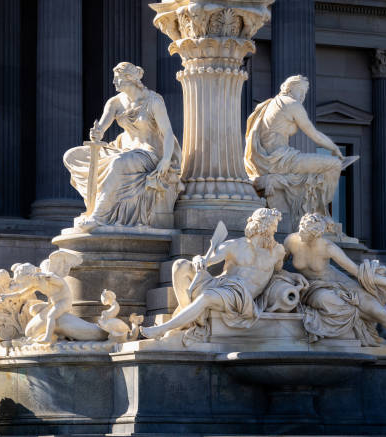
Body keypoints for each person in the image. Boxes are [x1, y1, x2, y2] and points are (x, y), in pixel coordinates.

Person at [284, 213, 386, 356]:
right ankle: (365, 317)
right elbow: (278, 268)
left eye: (306, 235)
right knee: (328, 300)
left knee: (378, 312)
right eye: (301, 231)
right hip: (315, 287)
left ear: (317, 235)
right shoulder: (291, 241)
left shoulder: (328, 247)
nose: (301, 236)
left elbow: (356, 271)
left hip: (340, 282)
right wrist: (294, 275)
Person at [63, 62, 182, 231]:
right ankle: (96, 204)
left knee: (117, 163)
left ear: (131, 79)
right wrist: (96, 133)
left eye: (117, 78)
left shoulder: (153, 101)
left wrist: (166, 160)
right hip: (123, 150)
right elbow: (102, 128)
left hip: (148, 153)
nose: (114, 82)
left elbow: (168, 133)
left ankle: (98, 215)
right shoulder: (115, 103)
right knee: (72, 156)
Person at [141, 208, 287, 342]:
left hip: (241, 296)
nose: (275, 230)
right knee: (180, 265)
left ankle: (163, 329)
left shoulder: (277, 251)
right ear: (262, 227)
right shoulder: (235, 245)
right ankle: (190, 318)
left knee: (207, 296)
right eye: (273, 226)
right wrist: (199, 259)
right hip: (223, 284)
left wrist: (295, 280)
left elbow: (279, 274)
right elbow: (208, 261)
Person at [244, 75, 354, 222]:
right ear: (290, 88)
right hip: (282, 161)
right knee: (335, 164)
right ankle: (321, 213)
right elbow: (313, 134)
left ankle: (316, 210)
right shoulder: (292, 104)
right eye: (301, 90)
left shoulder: (270, 104)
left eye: (305, 92)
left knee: (314, 171)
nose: (303, 95)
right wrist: (334, 148)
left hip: (268, 160)